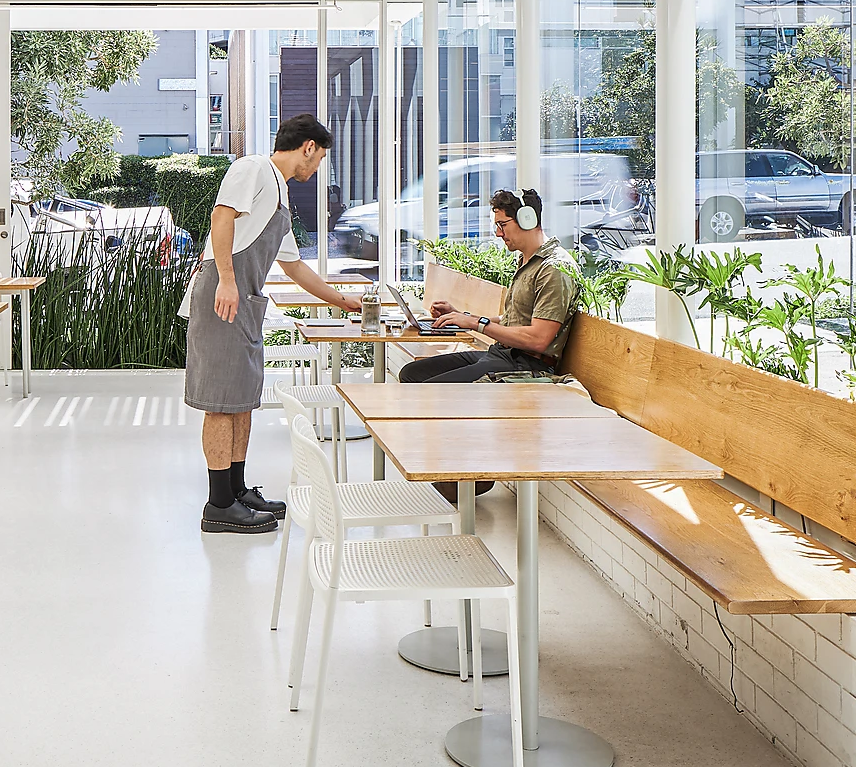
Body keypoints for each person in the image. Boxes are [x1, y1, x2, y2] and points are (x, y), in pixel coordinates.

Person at [182, 113, 362, 534]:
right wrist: (227, 280)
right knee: (220, 402)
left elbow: (295, 267)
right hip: (223, 296)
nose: (317, 170)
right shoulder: (253, 168)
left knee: (242, 399)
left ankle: (237, 490)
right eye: (319, 161)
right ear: (308, 147)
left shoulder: (279, 196)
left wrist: (341, 301)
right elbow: (221, 217)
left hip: (244, 300)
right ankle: (219, 504)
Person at [399, 187, 581, 498]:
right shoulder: (529, 262)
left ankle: (472, 476)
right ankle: (454, 472)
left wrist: (477, 324)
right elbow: (512, 322)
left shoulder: (552, 270)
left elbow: (538, 339)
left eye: (502, 225)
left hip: (526, 364)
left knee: (441, 391)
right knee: (411, 376)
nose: (498, 234)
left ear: (528, 219)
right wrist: (464, 315)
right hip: (502, 354)